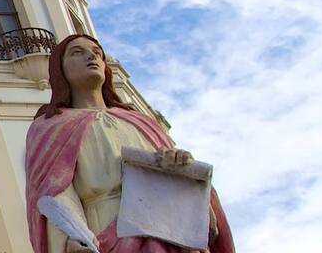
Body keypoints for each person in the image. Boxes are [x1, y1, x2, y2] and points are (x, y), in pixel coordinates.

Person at [23, 34, 234, 252]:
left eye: (97, 53)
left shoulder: (141, 122)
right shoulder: (50, 128)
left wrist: (178, 164)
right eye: (77, 52)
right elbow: (53, 193)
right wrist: (70, 239)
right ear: (60, 69)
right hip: (105, 228)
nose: (91, 57)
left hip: (165, 229)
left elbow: (182, 185)